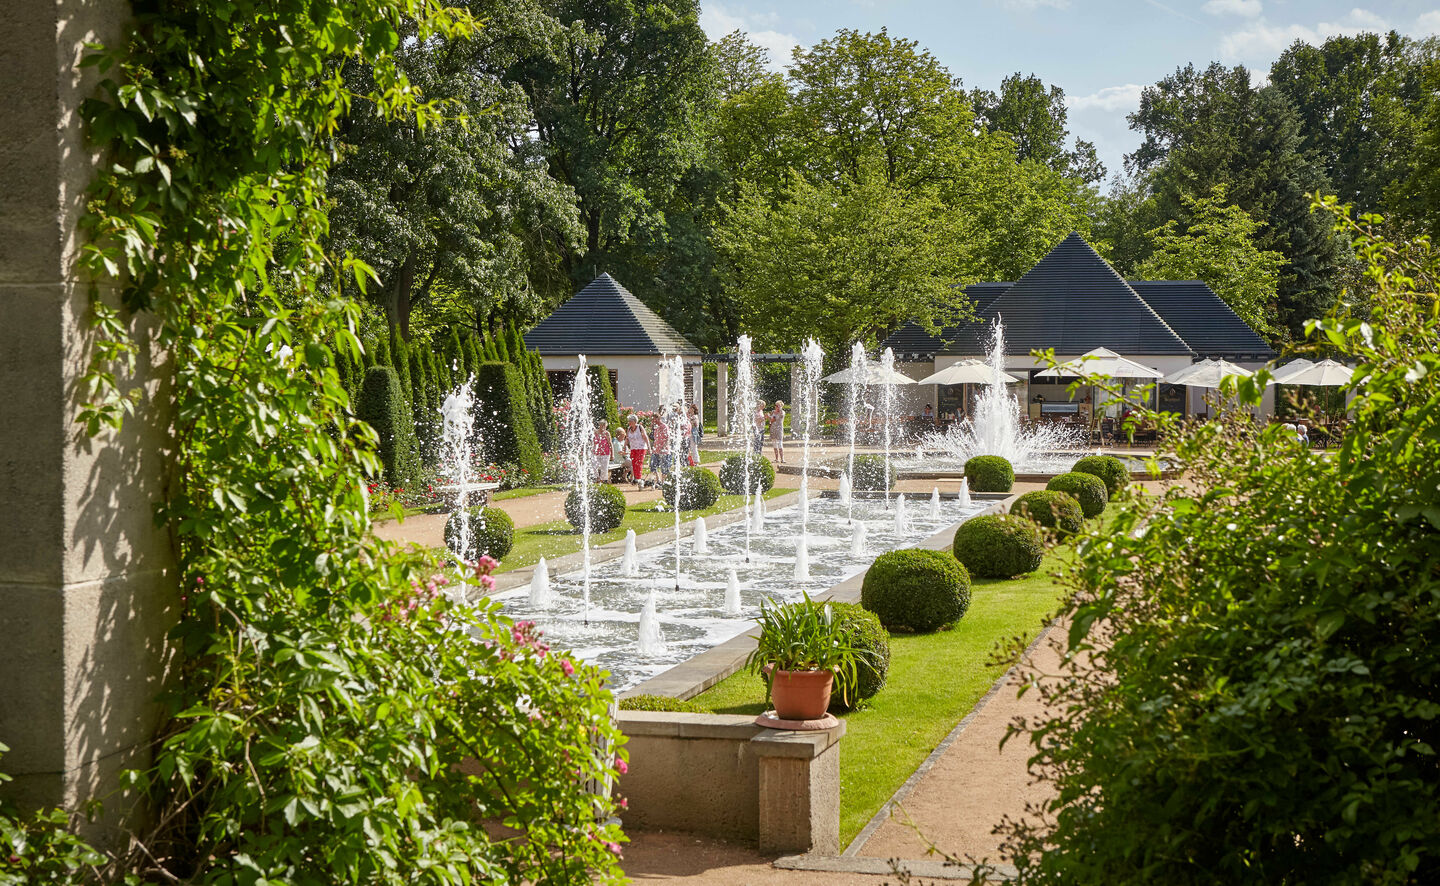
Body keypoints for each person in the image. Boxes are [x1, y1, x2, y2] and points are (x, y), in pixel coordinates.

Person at [625, 414, 649, 490]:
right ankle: (637, 478)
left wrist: (649, 447)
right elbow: (627, 439)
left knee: (639, 462)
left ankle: (638, 478)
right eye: (629, 421)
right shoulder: (629, 429)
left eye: (630, 421)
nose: (629, 423)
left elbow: (645, 437)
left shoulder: (640, 427)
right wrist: (624, 446)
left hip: (641, 448)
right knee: (634, 463)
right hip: (633, 448)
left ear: (635, 421)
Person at [650, 408, 671, 487]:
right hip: (656, 450)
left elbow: (668, 438)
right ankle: (658, 480)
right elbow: (654, 438)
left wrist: (664, 447)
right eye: (653, 420)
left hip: (664, 451)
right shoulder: (655, 428)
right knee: (653, 465)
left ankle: (663, 482)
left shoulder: (664, 426)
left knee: (664, 468)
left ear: (658, 419)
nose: (653, 421)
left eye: (654, 420)